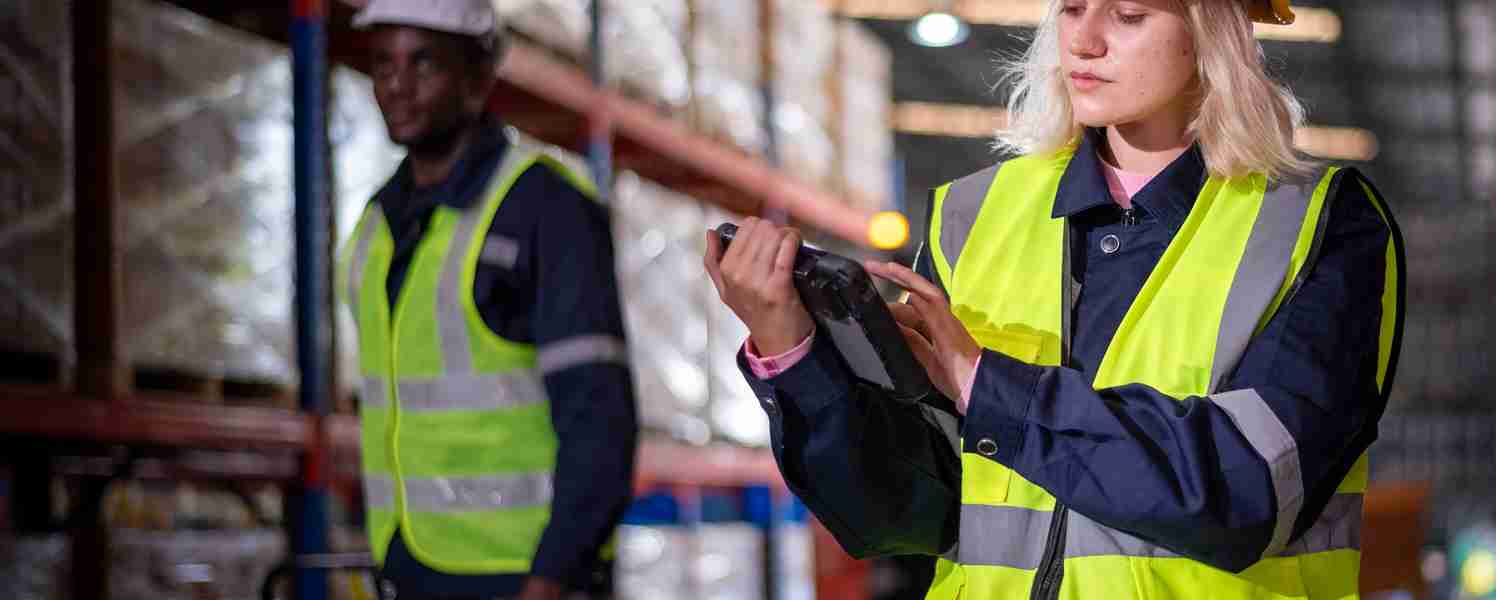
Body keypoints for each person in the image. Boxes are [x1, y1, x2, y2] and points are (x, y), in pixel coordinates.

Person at [706, 0, 1406, 598]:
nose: (1085, 39)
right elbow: (906, 513)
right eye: (1071, 6)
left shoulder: (1316, 226)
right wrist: (790, 347)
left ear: (1211, 28)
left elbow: (1248, 490)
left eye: (1128, 13)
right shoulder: (972, 220)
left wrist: (987, 385)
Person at [338, 1, 637, 598]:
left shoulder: (546, 208)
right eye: (383, 65)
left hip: (525, 577)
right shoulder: (376, 222)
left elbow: (599, 420)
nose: (398, 86)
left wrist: (551, 578)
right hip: (408, 563)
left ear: (478, 76)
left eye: (424, 64)